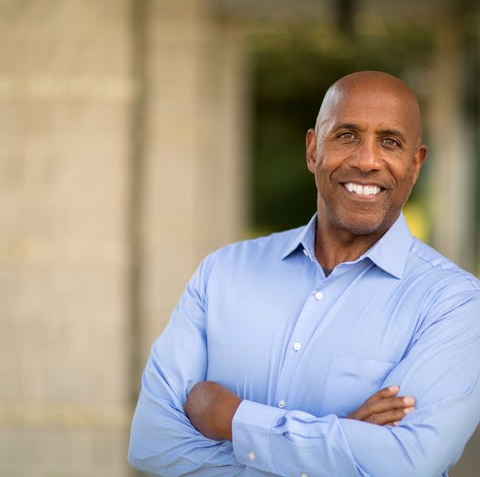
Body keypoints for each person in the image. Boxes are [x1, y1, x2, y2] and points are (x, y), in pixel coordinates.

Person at [128, 71, 480, 477]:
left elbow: (408, 462)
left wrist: (234, 420)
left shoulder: (456, 304)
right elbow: (152, 444)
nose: (366, 160)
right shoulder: (222, 274)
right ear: (313, 150)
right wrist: (340, 441)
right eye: (346, 135)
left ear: (415, 164)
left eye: (390, 142)